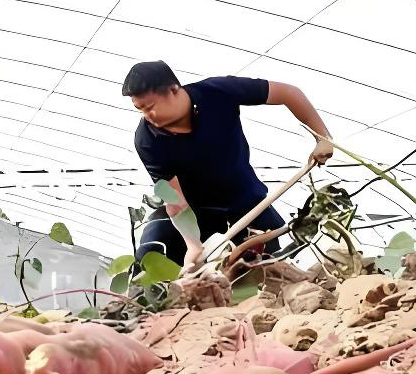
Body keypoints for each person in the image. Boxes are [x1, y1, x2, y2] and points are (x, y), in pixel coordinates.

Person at [123, 60, 334, 268]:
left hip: (249, 203)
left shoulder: (218, 92)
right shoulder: (147, 140)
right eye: (140, 109)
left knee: (266, 268)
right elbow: (175, 200)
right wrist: (193, 246)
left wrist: (323, 137)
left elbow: (288, 93)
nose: (147, 116)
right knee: (157, 246)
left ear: (173, 89)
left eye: (150, 107)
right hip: (199, 214)